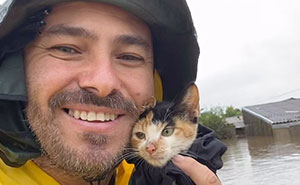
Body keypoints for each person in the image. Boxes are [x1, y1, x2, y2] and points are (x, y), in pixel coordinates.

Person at [0, 0, 226, 185]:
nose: (103, 83)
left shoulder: (170, 176)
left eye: (130, 57)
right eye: (66, 49)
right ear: (14, 70)